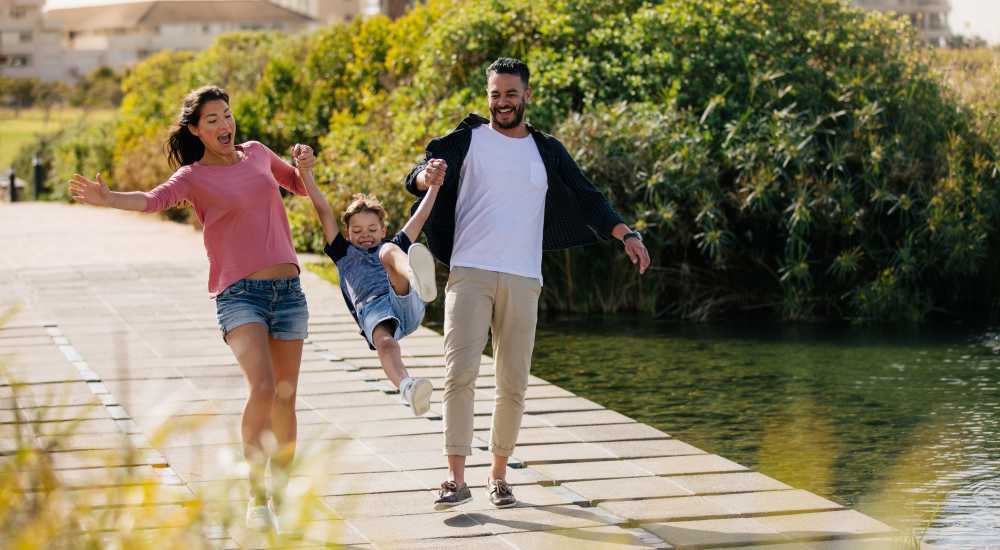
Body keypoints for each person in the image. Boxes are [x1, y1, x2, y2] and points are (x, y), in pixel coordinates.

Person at [405, 57, 651, 509]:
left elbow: (588, 197)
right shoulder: (469, 140)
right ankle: (455, 479)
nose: (502, 102)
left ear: (527, 96)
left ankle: (498, 476)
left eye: (511, 94)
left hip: (523, 277)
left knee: (513, 381)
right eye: (495, 94)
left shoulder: (547, 150)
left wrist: (626, 234)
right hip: (470, 270)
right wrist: (425, 177)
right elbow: (419, 173)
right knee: (459, 373)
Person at [68, 85, 315, 532]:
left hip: (289, 292)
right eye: (212, 120)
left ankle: (281, 494)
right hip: (239, 294)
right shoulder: (193, 177)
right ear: (196, 130)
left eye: (227, 115)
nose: (224, 124)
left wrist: (304, 165)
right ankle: (257, 497)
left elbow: (296, 185)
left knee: (284, 396)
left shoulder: (258, 153)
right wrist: (110, 198)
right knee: (262, 387)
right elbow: (152, 199)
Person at [300, 158, 444, 415]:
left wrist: (434, 185)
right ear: (347, 233)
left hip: (404, 297)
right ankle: (408, 387)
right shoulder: (342, 252)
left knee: (389, 251)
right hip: (373, 311)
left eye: (371, 229)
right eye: (356, 230)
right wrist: (305, 173)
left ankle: (416, 277)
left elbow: (421, 216)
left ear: (382, 229)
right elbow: (323, 209)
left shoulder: (391, 243)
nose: (364, 234)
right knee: (386, 344)